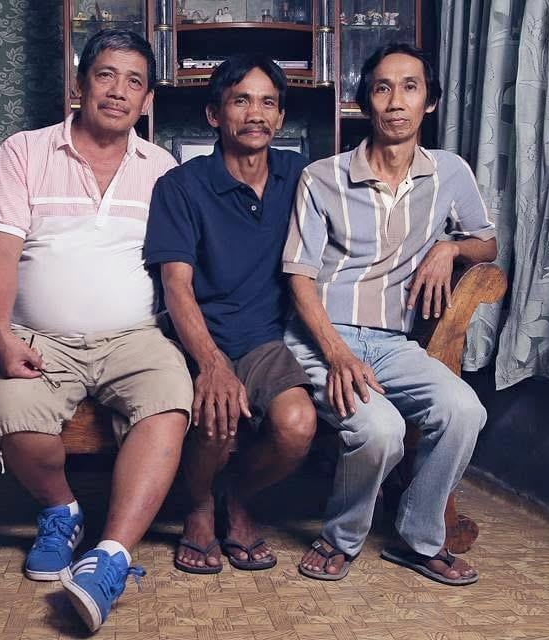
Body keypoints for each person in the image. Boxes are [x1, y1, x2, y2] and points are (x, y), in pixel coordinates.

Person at [0, 30, 193, 633]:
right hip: (41, 336)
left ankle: (111, 556)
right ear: (80, 83)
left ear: (147, 98)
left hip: (135, 336)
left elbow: (174, 268)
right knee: (13, 414)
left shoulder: (163, 169)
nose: (118, 91)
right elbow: (1, 248)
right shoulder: (25, 150)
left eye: (133, 81)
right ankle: (61, 511)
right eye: (105, 75)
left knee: (170, 402)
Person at [283, 43, 497, 586]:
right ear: (365, 103)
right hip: (323, 337)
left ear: (429, 101)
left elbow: (486, 243)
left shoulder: (450, 172)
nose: (396, 101)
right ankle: (340, 537)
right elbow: (299, 276)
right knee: (379, 429)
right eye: (382, 87)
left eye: (410, 87)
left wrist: (450, 249)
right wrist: (335, 354)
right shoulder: (321, 177)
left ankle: (419, 538)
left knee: (464, 410)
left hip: (396, 341)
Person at [144, 54, 317, 575]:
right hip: (197, 339)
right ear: (214, 114)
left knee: (298, 425)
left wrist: (454, 248)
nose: (255, 113)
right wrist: (213, 364)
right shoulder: (181, 185)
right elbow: (176, 286)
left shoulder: (301, 178)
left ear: (281, 118)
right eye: (241, 100)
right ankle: (199, 507)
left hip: (266, 341)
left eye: (268, 102)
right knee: (216, 419)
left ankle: (238, 497)